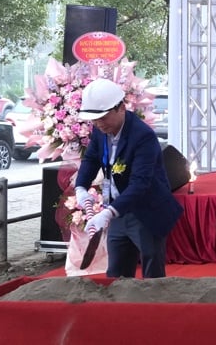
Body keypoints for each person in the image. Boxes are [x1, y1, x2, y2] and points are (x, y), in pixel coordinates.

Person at [74, 78, 183, 278]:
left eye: (103, 117)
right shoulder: (100, 132)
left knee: (152, 271)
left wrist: (107, 214)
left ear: (121, 108)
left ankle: (154, 306)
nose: (98, 124)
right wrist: (80, 187)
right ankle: (118, 308)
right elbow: (91, 159)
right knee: (116, 272)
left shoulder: (143, 136)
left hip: (146, 210)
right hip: (118, 210)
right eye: (94, 119)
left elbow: (140, 184)